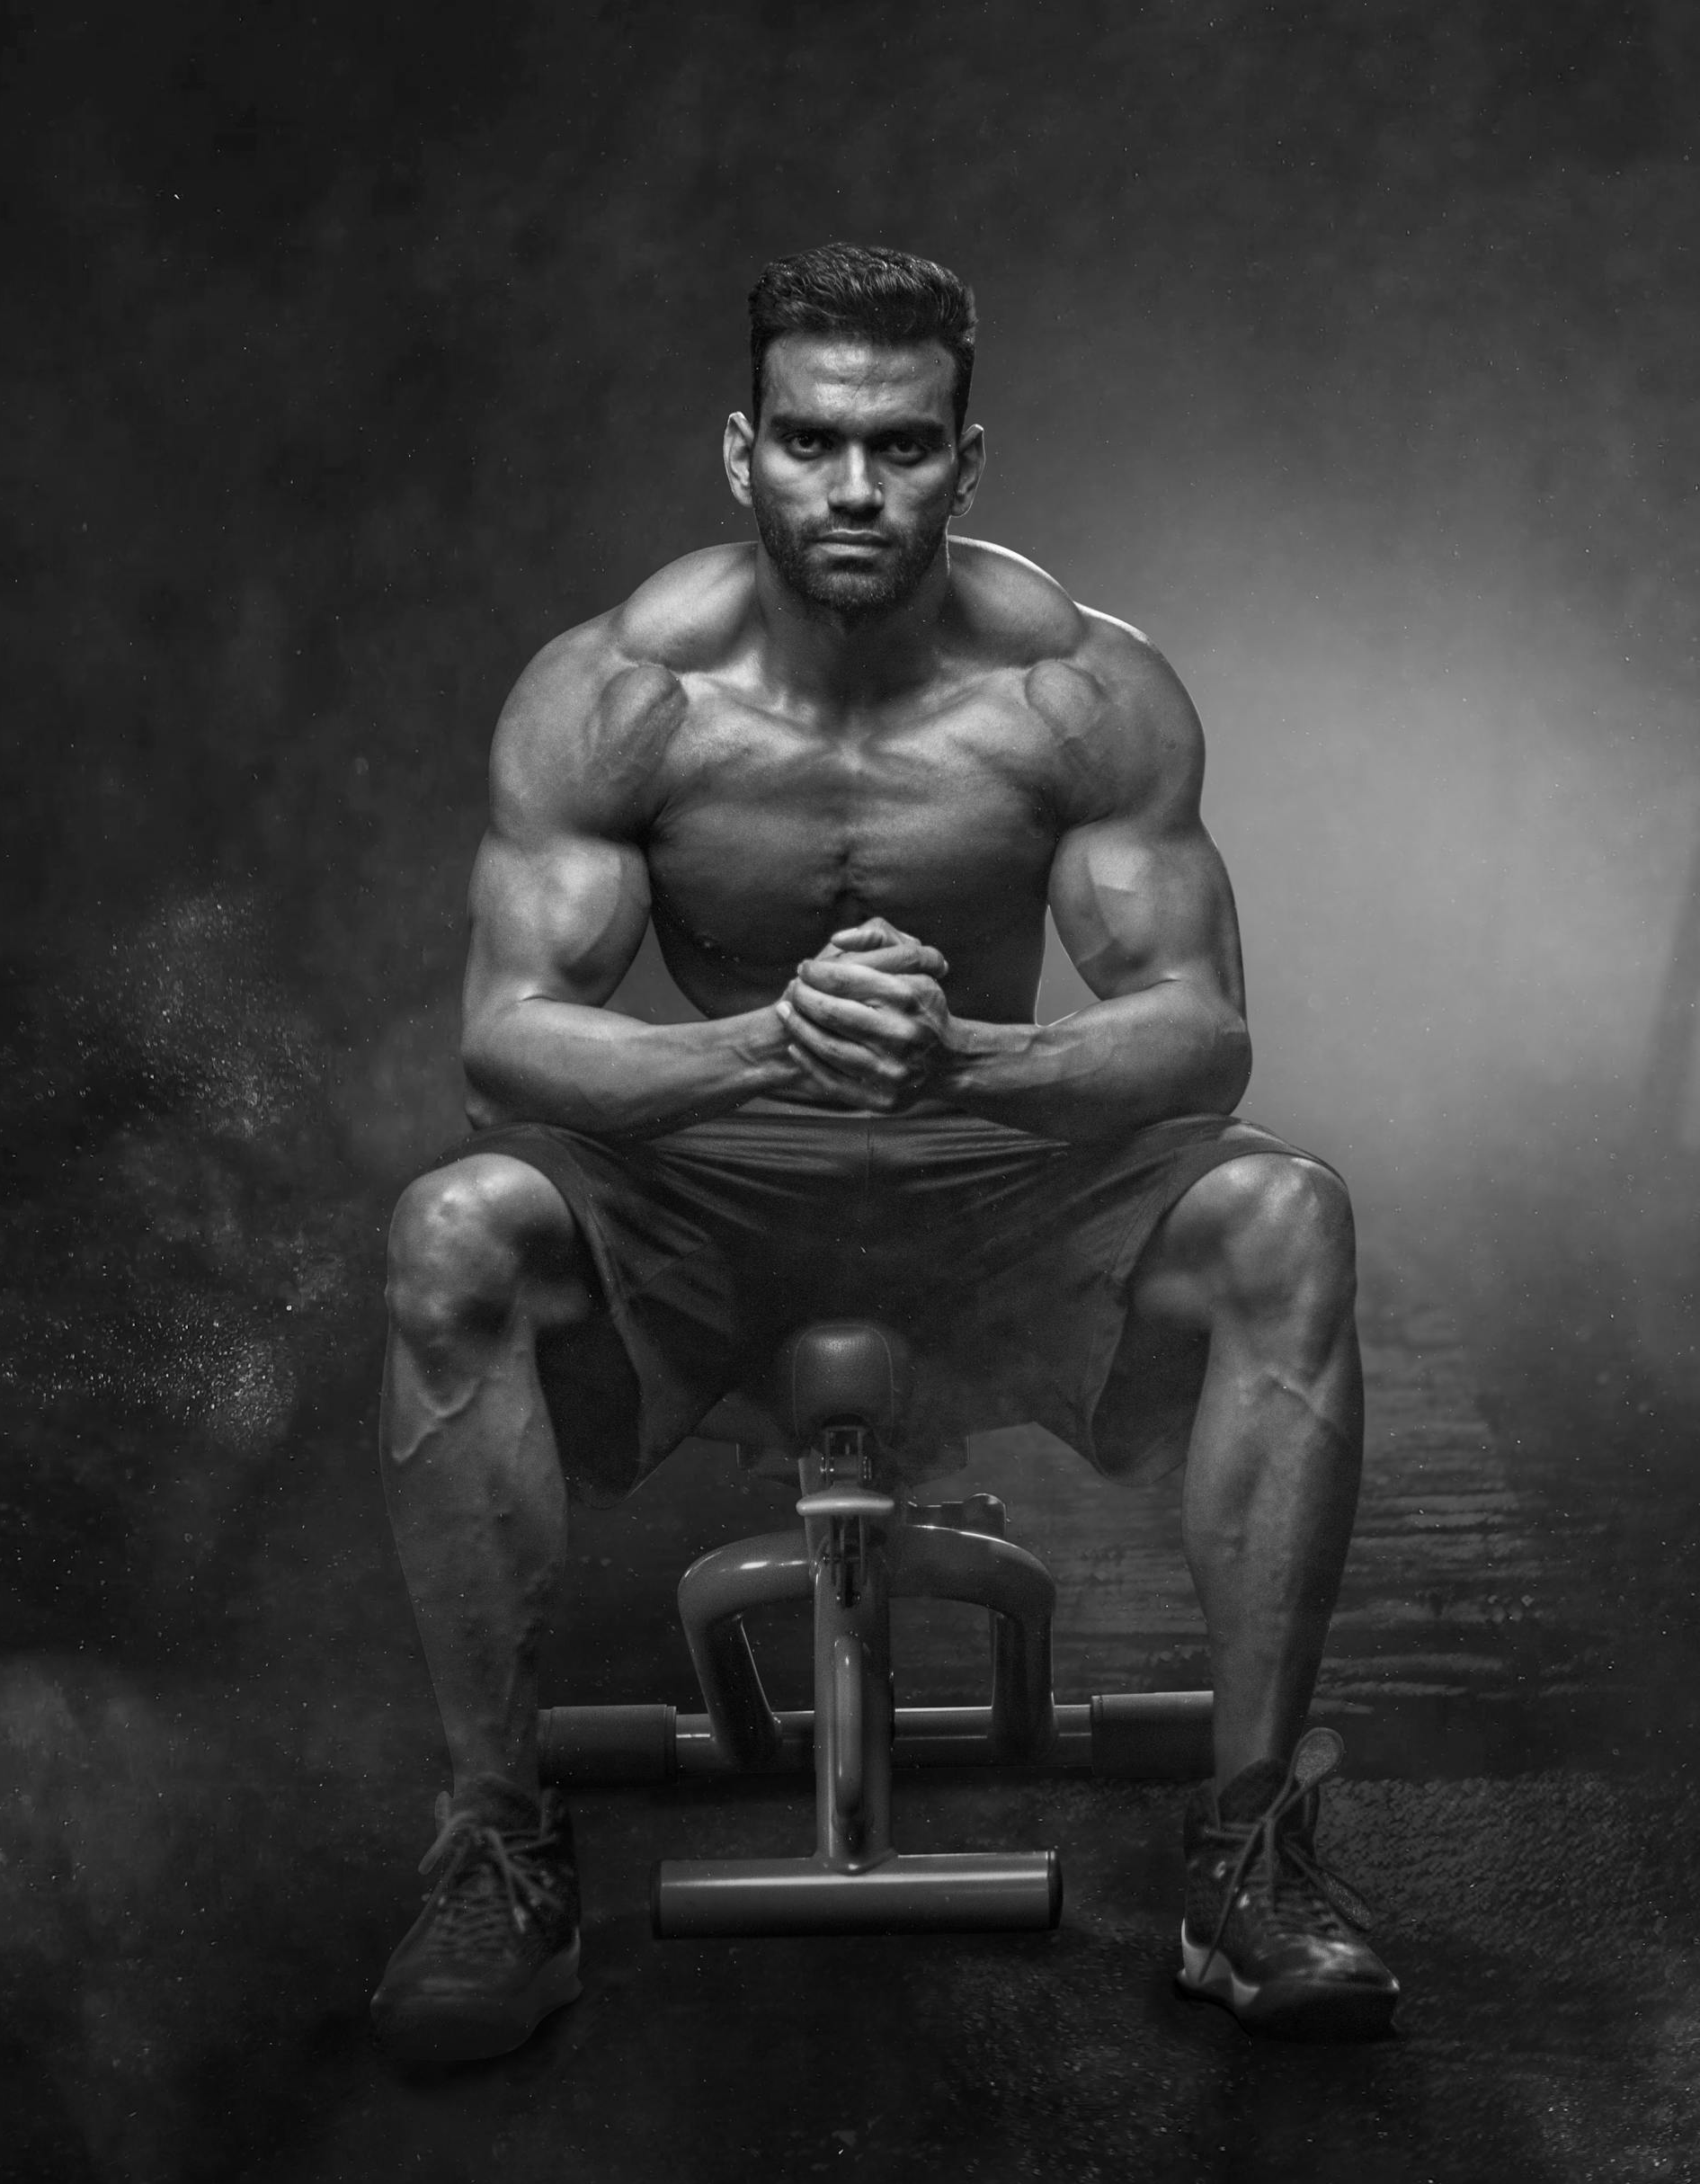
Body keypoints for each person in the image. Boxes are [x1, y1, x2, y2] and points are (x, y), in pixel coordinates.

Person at [369, 243, 1399, 2063]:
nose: (857, 486)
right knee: (450, 1230)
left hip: (992, 1189)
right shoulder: (618, 694)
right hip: (711, 1197)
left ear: (969, 458)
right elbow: (503, 1039)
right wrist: (760, 1038)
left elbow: (1200, 1030)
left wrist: (973, 1051)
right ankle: (497, 1846)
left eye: (904, 446)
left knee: (1288, 1219)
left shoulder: (1080, 691)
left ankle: (1248, 1851)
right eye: (814, 439)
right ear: (740, 449)